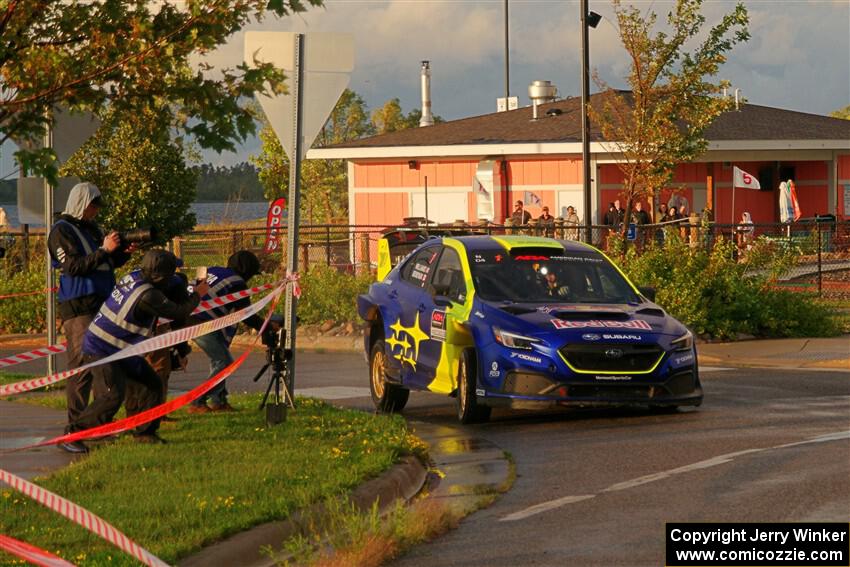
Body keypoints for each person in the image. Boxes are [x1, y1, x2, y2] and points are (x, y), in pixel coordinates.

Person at [65, 250, 208, 453]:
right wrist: (197, 294)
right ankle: (73, 434)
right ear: (160, 276)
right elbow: (179, 312)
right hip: (102, 348)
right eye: (171, 272)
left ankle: (144, 433)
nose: (174, 275)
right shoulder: (148, 295)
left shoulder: (134, 276)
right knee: (113, 395)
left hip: (122, 349)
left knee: (152, 385)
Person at [47, 182, 133, 451]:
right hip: (78, 308)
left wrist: (120, 255)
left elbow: (101, 262)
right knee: (81, 369)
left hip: (103, 305)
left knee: (103, 367)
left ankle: (97, 425)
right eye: (93, 205)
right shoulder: (61, 231)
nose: (96, 211)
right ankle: (74, 432)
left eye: (97, 207)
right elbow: (73, 267)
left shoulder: (91, 229)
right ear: (81, 203)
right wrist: (105, 250)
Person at [188, 251, 274, 413]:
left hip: (187, 316)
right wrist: (266, 326)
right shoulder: (237, 282)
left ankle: (219, 401)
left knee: (219, 359)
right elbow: (245, 314)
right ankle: (198, 402)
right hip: (201, 322)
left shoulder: (214, 271)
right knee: (224, 362)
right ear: (246, 270)